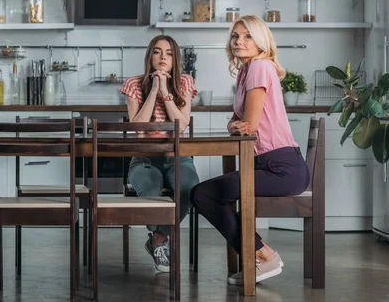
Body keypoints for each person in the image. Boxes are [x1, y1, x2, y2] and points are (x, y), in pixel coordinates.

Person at [190, 15, 310, 284]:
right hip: (269, 165)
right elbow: (236, 123)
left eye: (247, 36)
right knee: (205, 194)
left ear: (261, 42)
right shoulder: (246, 72)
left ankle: (263, 255)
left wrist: (238, 125)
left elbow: (248, 126)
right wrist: (237, 125)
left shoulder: (259, 66)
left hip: (281, 168)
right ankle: (261, 254)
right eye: (235, 36)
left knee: (204, 194)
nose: (239, 42)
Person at [119, 34, 199, 273]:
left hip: (178, 156)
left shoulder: (184, 82)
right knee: (151, 190)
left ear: (175, 59)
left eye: (169, 53)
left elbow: (181, 125)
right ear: (149, 56)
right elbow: (138, 127)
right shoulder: (134, 83)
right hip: (144, 159)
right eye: (157, 52)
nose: (163, 57)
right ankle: (160, 240)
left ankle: (158, 238)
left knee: (189, 188)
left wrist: (165, 90)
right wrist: (153, 89)